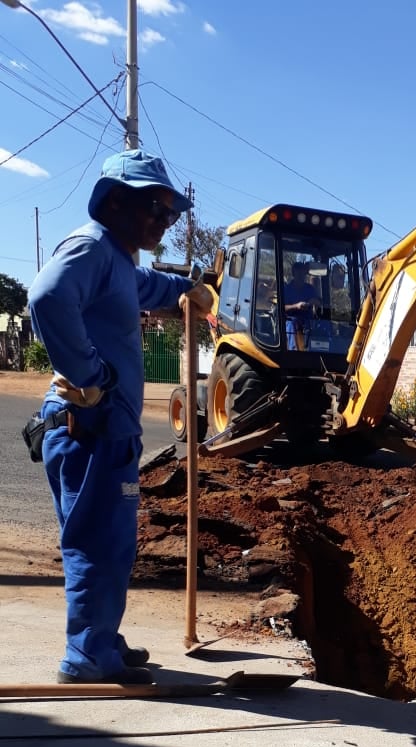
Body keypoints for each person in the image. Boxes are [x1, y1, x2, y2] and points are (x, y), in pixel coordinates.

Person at [27, 149, 213, 685]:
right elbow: (46, 297)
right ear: (114, 201)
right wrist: (90, 375)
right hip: (91, 428)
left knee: (105, 540)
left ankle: (100, 636)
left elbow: (150, 288)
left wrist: (187, 290)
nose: (164, 221)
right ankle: (87, 657)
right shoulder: (91, 247)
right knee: (100, 542)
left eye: (170, 213)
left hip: (100, 430)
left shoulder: (120, 260)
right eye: (155, 208)